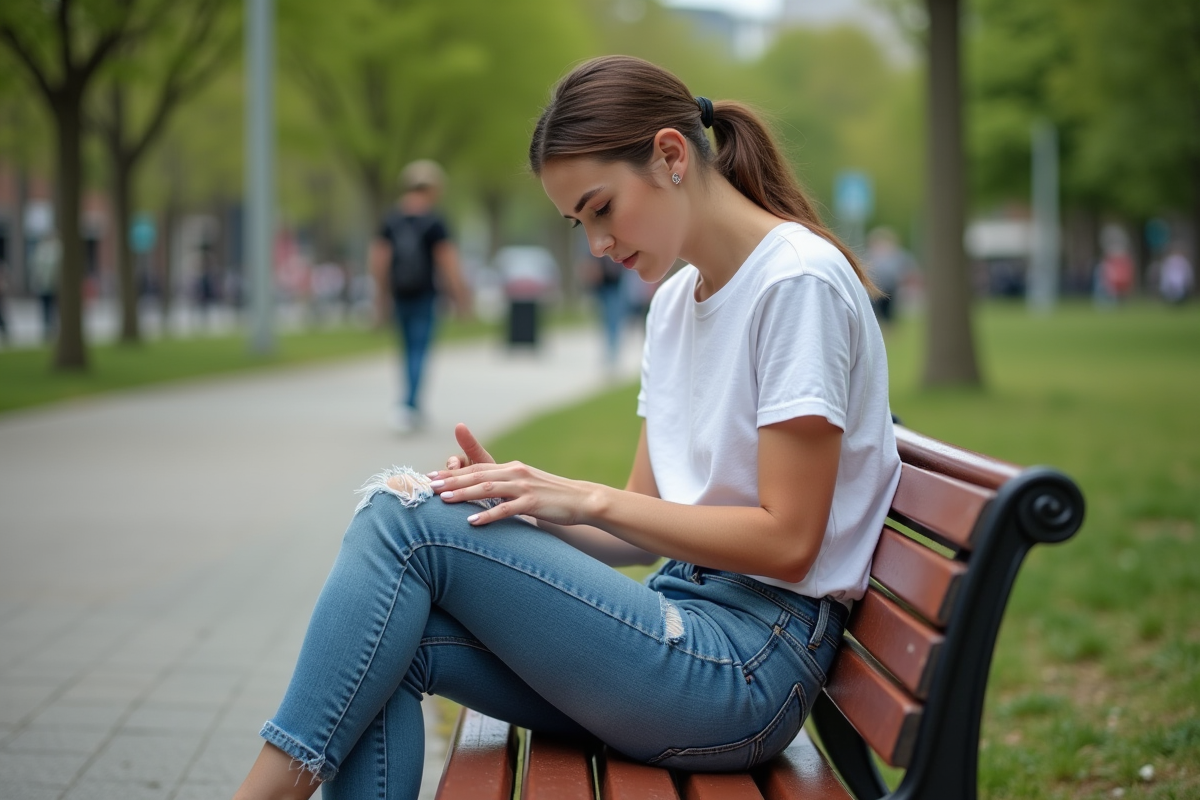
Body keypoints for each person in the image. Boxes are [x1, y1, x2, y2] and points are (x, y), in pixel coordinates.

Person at [233, 55, 901, 800]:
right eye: (579, 223)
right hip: (681, 624)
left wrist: (584, 497)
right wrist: (517, 505)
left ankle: (268, 790)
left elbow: (789, 540)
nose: (597, 246)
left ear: (671, 156)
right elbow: (643, 531)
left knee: (403, 520)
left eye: (601, 208)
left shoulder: (795, 283)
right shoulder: (678, 305)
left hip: (745, 664)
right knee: (388, 637)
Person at [370, 160, 472, 433]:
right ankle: (410, 405)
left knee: (405, 350)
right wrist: (460, 297)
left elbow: (379, 260)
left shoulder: (391, 219)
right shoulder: (434, 221)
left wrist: (380, 296)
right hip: (425, 294)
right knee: (419, 349)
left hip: (400, 293)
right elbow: (448, 262)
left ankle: (407, 403)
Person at [579, 251, 628, 368]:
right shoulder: (599, 251)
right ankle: (610, 349)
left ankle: (613, 350)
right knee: (605, 320)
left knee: (613, 319)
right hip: (602, 286)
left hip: (614, 286)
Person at [30, 231, 61, 343]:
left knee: (47, 309)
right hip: (49, 286)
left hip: (47, 285)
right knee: (49, 308)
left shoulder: (42, 250)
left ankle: (49, 329)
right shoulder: (56, 249)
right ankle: (49, 329)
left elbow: (36, 268)